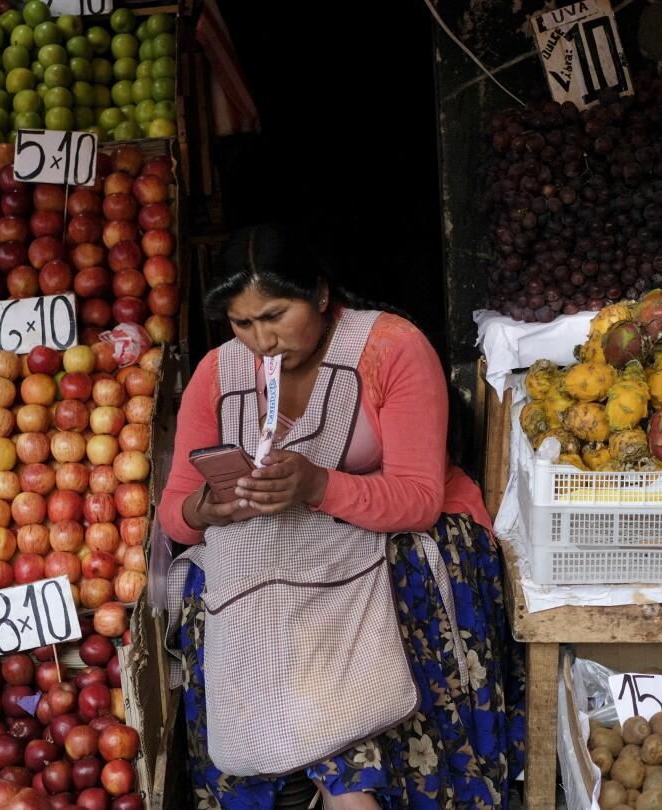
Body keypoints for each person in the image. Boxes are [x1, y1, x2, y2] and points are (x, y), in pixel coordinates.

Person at [157, 224, 526, 809]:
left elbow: (418, 498)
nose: (261, 341)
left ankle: (340, 784)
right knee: (223, 582)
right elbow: (175, 518)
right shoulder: (216, 374)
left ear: (321, 295)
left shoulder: (390, 348)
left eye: (275, 315)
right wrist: (209, 507)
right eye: (241, 323)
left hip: (393, 535)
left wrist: (317, 483)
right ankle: (316, 780)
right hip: (285, 556)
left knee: (381, 588)